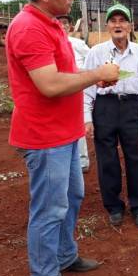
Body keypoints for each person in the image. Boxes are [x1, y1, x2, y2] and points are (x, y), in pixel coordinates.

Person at [6, 0, 119, 276]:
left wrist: (89, 81)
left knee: (71, 198)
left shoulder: (51, 23)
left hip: (64, 132)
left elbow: (63, 78)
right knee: (49, 208)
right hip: (44, 137)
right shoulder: (29, 28)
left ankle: (64, 256)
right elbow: (50, 84)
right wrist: (98, 73)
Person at [83, 3, 138, 228]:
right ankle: (113, 206)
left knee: (136, 156)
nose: (118, 25)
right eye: (113, 21)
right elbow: (87, 87)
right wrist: (87, 117)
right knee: (107, 159)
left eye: (122, 21)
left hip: (131, 106)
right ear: (107, 26)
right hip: (105, 107)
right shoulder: (96, 53)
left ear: (130, 26)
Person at [58, 16, 91, 173]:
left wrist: (86, 76)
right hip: (59, 89)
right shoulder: (51, 45)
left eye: (65, 23)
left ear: (70, 26)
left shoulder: (77, 44)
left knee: (79, 122)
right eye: (59, 22)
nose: (62, 26)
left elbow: (90, 59)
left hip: (78, 87)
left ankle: (82, 160)